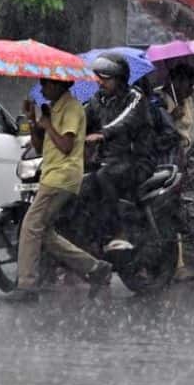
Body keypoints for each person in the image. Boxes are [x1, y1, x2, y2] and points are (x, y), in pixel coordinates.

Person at [1, 78, 113, 303]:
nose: (42, 89)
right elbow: (41, 146)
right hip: (52, 175)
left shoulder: (71, 108)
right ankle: (96, 268)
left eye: (46, 85)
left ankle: (27, 285)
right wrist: (34, 121)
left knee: (31, 224)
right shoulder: (53, 108)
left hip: (62, 176)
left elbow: (66, 145)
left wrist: (49, 126)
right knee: (45, 233)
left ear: (59, 85)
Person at [84, 53, 155, 250]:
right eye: (99, 77)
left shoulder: (135, 97)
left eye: (106, 78)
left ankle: (119, 230)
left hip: (136, 159)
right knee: (83, 184)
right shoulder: (97, 100)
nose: (100, 82)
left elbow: (125, 120)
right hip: (108, 160)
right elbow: (80, 120)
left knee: (104, 176)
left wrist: (102, 134)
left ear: (120, 79)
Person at [159, 63, 194, 282]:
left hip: (182, 159)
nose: (191, 90)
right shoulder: (160, 101)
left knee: (177, 208)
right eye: (188, 84)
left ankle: (178, 262)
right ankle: (176, 263)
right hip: (166, 161)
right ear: (176, 82)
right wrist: (170, 117)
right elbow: (162, 130)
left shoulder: (187, 101)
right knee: (169, 209)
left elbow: (189, 131)